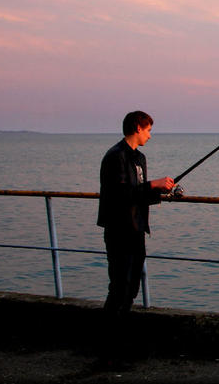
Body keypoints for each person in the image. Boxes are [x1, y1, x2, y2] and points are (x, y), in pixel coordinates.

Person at [96, 110, 177, 364]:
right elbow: (120, 194)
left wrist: (163, 192)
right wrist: (153, 184)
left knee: (131, 288)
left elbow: (138, 194)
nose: (150, 135)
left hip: (137, 229)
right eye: (148, 130)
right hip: (119, 230)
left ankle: (119, 341)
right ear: (137, 128)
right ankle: (109, 345)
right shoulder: (114, 157)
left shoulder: (139, 158)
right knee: (119, 286)